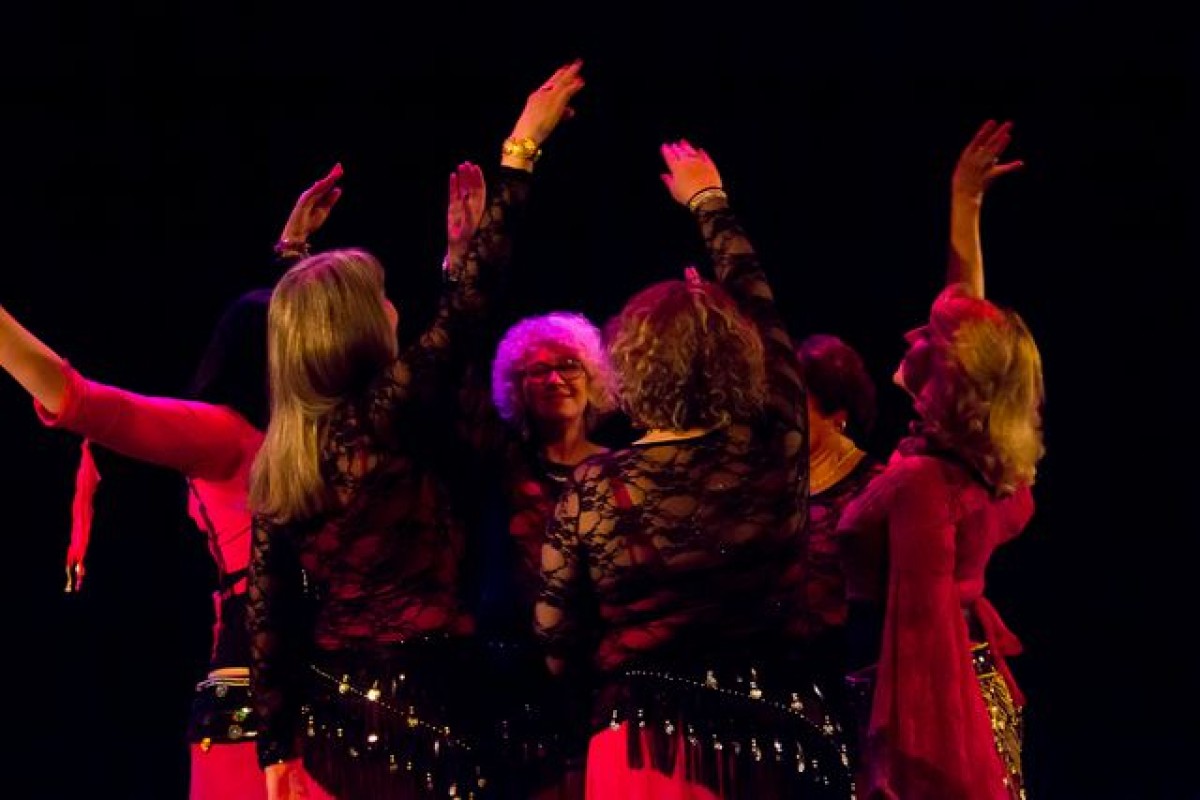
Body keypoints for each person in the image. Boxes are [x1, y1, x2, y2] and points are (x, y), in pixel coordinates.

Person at [246, 59, 585, 800]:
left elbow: (268, 612)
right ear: (356, 328)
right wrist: (521, 151)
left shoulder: (286, 454)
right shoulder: (384, 414)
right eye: (381, 297)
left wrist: (275, 744)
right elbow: (468, 314)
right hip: (428, 705)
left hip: (337, 723)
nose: (394, 306)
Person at [0, 161, 345, 799]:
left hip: (335, 699)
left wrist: (293, 253)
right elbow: (88, 403)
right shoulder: (223, 437)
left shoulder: (326, 438)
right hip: (255, 716)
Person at [535, 139, 851, 800]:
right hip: (771, 739)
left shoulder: (596, 486)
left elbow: (556, 642)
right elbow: (765, 312)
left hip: (643, 747)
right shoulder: (776, 449)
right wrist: (710, 202)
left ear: (629, 367)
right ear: (742, 360)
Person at [837, 119, 1044, 800]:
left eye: (930, 337)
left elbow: (922, 641)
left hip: (929, 711)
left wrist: (907, 767)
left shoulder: (922, 483)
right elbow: (968, 322)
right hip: (969, 686)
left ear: (948, 381)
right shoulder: (980, 455)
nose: (916, 337)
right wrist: (965, 205)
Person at [475, 310, 619, 798]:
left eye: (568, 365)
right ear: (518, 388)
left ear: (592, 376)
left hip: (598, 676)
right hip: (513, 683)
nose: (555, 379)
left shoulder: (621, 470)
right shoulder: (498, 469)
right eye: (538, 370)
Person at [787, 333, 885, 744]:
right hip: (781, 679)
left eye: (797, 405)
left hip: (845, 683)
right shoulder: (775, 477)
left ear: (837, 414)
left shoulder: (875, 486)